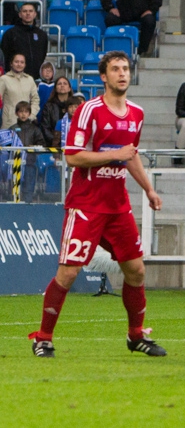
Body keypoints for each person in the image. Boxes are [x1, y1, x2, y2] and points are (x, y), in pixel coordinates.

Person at [29, 51, 166, 359]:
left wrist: (149, 189)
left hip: (118, 206)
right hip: (86, 205)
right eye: (115, 69)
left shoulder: (137, 113)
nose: (122, 73)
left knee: (136, 270)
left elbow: (131, 155)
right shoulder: (89, 110)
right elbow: (73, 156)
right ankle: (43, 338)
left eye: (125, 68)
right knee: (69, 273)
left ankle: (136, 336)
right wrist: (114, 154)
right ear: (104, 77)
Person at [1, 3, 48, 80]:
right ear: (20, 14)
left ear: (35, 14)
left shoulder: (42, 35)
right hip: (15, 78)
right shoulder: (10, 33)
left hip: (36, 78)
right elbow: (5, 55)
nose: (28, 13)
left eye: (30, 11)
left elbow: (43, 54)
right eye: (25, 11)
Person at [11, 100, 44, 201]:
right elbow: (6, 144)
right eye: (21, 111)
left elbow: (41, 143)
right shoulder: (12, 128)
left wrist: (33, 147)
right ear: (16, 113)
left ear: (29, 113)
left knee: (28, 186)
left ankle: (28, 203)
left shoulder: (35, 129)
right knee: (14, 186)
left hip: (30, 162)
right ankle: (13, 205)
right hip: (14, 162)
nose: (23, 114)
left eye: (26, 112)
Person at [0, 53, 39, 129]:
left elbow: (35, 99)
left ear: (25, 64)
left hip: (26, 122)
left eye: (22, 62)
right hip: (9, 123)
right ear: (11, 63)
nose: (19, 64)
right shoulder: (4, 79)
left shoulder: (30, 79)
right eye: (16, 62)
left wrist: (31, 115)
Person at [40, 76, 74, 146]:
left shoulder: (75, 105)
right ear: (55, 88)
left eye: (65, 83)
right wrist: (57, 141)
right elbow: (45, 128)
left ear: (69, 88)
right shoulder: (48, 106)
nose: (62, 85)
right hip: (54, 144)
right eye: (59, 84)